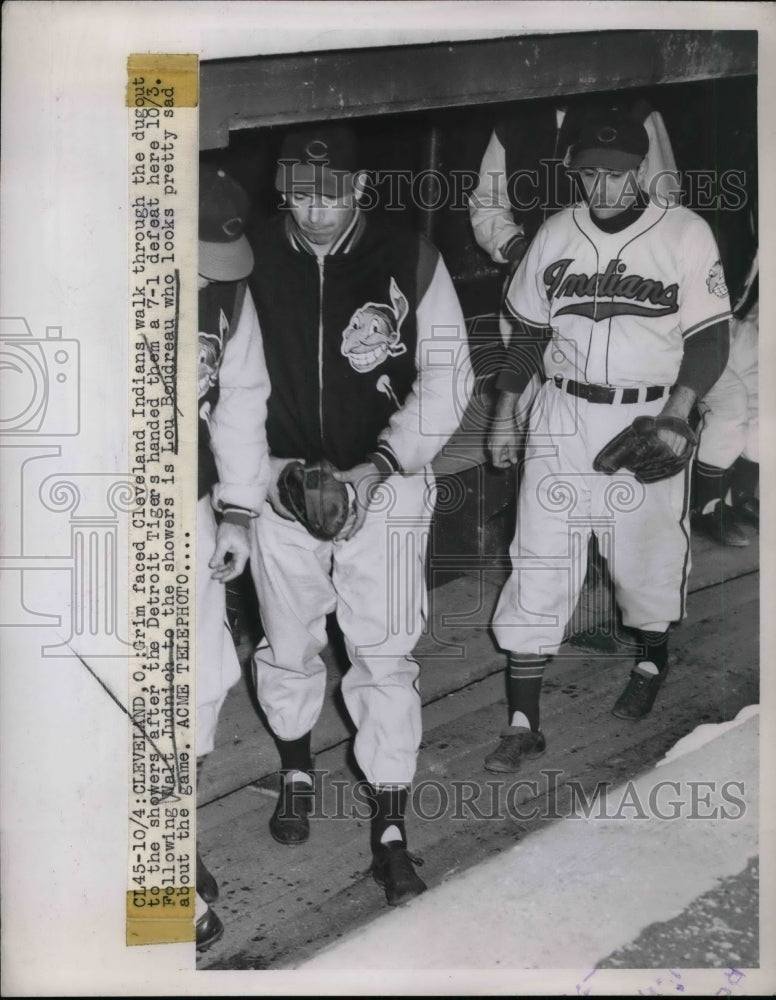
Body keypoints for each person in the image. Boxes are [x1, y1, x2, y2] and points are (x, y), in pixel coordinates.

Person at [246, 124, 472, 905]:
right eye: (301, 193)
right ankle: (296, 771)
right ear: (281, 188)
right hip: (281, 486)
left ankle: (391, 825)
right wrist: (267, 475)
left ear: (361, 188)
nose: (316, 210)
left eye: (332, 193)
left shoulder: (409, 256)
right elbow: (220, 381)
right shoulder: (246, 255)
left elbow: (447, 378)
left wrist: (381, 464)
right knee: (288, 641)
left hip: (384, 483)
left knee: (384, 650)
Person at [484, 112, 731, 773]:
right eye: (590, 172)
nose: (603, 186)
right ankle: (522, 721)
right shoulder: (556, 231)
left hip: (647, 416)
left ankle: (650, 660)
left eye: (617, 174)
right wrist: (505, 410)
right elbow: (530, 332)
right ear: (575, 170)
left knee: (643, 559)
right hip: (560, 414)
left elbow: (711, 337)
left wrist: (678, 414)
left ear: (641, 170)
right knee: (539, 557)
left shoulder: (684, 232)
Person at [195, 165, 270, 950]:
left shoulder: (228, 293)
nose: (210, 279)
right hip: (93, 513)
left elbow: (242, 400)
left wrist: (237, 513)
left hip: (187, 502)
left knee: (206, 675)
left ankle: (171, 832)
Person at [469, 95, 681, 276]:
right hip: (534, 279)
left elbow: (662, 211)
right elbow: (487, 202)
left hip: (615, 280)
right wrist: (516, 248)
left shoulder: (634, 111)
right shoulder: (513, 117)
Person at [692, 249, 759, 546]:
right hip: (692, 331)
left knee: (764, 412)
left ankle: (740, 497)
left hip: (739, 325)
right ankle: (707, 508)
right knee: (731, 406)